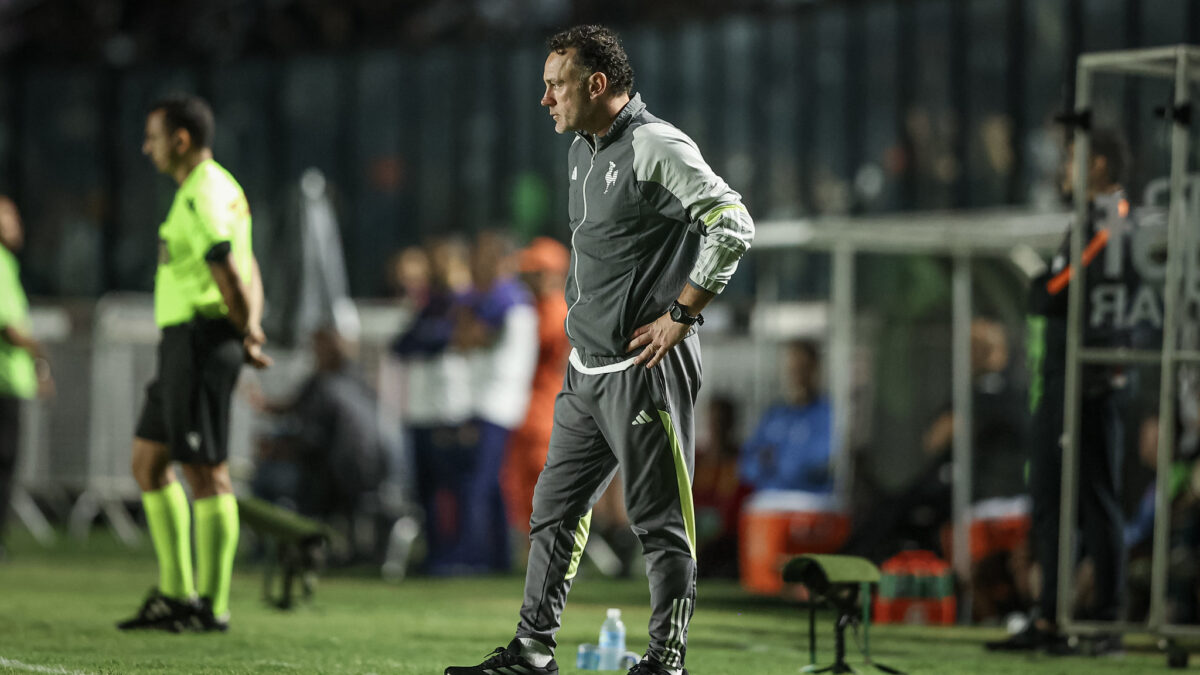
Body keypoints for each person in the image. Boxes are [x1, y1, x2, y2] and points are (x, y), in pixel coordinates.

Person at [445, 24, 754, 675]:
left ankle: (667, 659)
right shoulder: (582, 150)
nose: (545, 99)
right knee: (553, 512)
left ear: (596, 84)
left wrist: (683, 312)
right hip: (584, 372)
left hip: (645, 370)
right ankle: (532, 650)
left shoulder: (653, 144)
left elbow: (732, 222)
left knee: (658, 521)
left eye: (555, 85)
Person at [117, 94, 270, 633]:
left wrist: (242, 328)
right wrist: (251, 322)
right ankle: (177, 593)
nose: (146, 147)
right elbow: (249, 266)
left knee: (207, 473)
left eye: (153, 137)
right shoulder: (221, 186)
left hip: (202, 342)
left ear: (180, 140)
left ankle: (211, 605)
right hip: (186, 342)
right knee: (148, 463)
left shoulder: (201, 195)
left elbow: (228, 268)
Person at [986, 129, 1131, 655]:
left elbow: (1054, 290)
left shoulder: (1113, 217)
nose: (1063, 168)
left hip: (1091, 384)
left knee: (1095, 502)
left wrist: (1045, 283)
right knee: (1049, 500)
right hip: (1060, 380)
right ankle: (1050, 617)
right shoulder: (1088, 220)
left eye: (1071, 158)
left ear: (1097, 164)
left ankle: (1106, 624)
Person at [446, 229, 537, 573]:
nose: (474, 263)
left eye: (482, 255)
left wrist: (463, 327)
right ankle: (499, 556)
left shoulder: (505, 296)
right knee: (494, 484)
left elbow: (467, 338)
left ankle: (473, 555)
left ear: (501, 260)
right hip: (499, 400)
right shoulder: (506, 297)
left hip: (494, 401)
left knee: (477, 482)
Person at [503, 237, 571, 544]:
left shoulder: (554, 310)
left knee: (542, 483)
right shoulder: (539, 307)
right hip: (531, 407)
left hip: (544, 408)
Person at [0, 196, 54, 561]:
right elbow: (9, 327)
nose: (16, 224)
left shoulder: (9, 265)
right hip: (3, 384)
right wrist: (41, 352)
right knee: (4, 466)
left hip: (11, 381)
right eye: (8, 218)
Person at [739, 340, 833, 494]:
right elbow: (747, 467)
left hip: (811, 502)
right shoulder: (774, 415)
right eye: (792, 370)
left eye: (803, 369)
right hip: (770, 501)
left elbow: (817, 463)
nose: (797, 377)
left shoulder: (826, 414)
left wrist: (774, 458)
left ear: (815, 369)